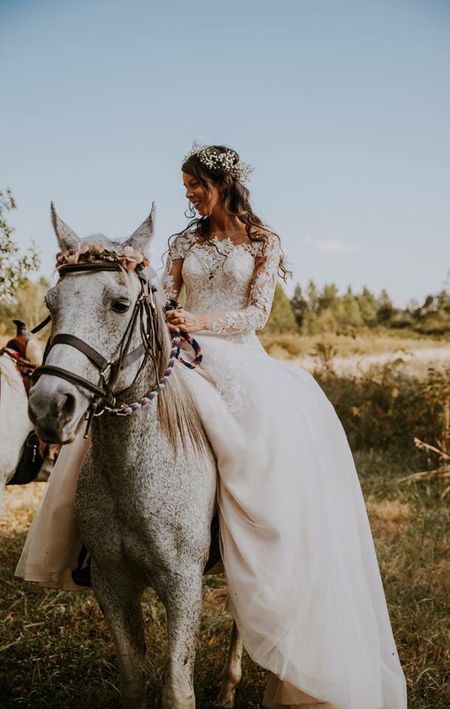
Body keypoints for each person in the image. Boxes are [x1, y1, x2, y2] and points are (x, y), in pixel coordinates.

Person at [16, 143, 407, 708]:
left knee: (256, 440)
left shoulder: (263, 241)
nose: (190, 196)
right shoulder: (181, 242)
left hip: (238, 354)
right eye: (185, 189)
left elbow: (257, 313)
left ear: (222, 182)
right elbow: (158, 294)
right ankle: (87, 543)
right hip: (181, 348)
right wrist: (128, 272)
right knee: (112, 417)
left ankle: (254, 541)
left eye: (196, 186)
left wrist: (199, 319)